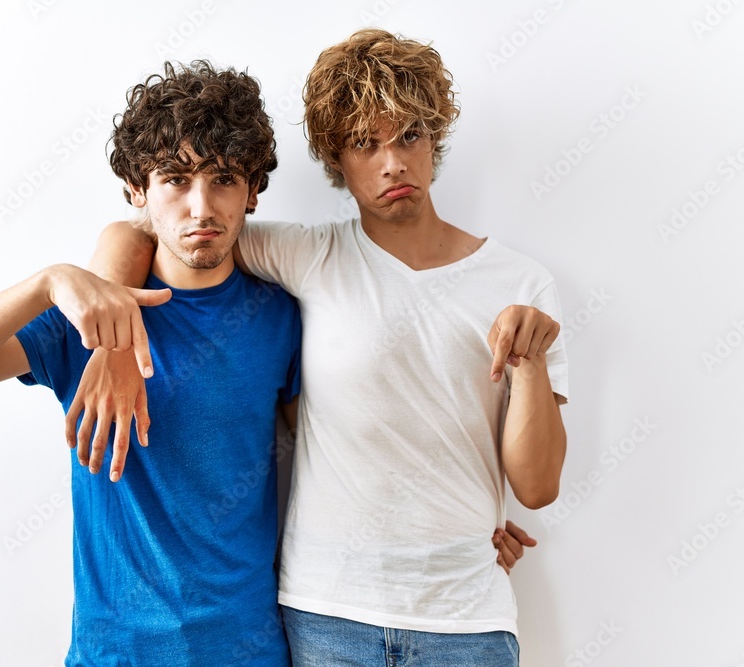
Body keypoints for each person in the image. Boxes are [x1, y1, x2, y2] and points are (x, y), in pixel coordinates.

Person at [81, 29, 568, 666]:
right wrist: (111, 340)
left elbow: (536, 487)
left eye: (409, 136)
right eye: (365, 143)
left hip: (466, 616)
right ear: (337, 160)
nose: (392, 163)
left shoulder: (522, 283)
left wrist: (528, 365)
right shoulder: (307, 255)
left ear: (435, 140)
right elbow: (152, 224)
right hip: (327, 614)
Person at [0, 61, 301, 667]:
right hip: (116, 653)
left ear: (254, 190)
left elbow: (324, 461)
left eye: (224, 180)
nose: (200, 207)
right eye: (175, 180)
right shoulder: (83, 317)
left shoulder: (281, 317)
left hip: (249, 649)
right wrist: (47, 282)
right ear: (138, 189)